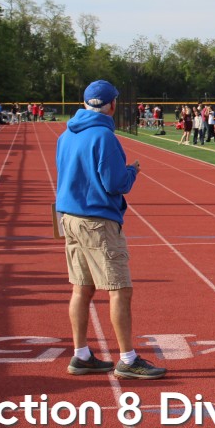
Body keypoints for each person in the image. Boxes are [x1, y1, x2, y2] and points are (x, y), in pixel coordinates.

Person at [55, 80, 166, 379]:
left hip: (69, 216)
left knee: (81, 287)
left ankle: (81, 354)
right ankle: (128, 359)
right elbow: (115, 183)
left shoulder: (66, 134)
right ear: (112, 105)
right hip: (97, 219)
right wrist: (132, 171)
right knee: (120, 290)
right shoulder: (104, 136)